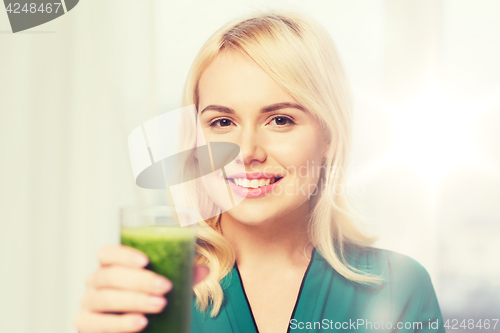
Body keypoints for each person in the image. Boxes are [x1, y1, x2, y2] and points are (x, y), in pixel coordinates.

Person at [74, 10, 445, 333]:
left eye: (280, 120)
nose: (247, 152)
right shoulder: (157, 286)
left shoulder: (399, 287)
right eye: (222, 122)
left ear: (329, 135)